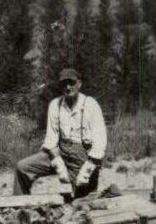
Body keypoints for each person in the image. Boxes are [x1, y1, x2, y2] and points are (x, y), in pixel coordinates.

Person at [14, 68, 107, 198]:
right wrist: (59, 165)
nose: (68, 87)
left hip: (83, 157)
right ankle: (19, 208)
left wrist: (87, 171)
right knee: (22, 167)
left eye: (71, 83)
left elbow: (99, 142)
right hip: (60, 151)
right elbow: (51, 139)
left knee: (82, 202)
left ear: (79, 84)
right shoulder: (55, 105)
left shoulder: (90, 104)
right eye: (64, 84)